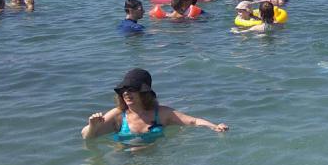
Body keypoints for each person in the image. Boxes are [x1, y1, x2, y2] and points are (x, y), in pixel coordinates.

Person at [81, 68, 227, 142]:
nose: (126, 93)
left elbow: (193, 121)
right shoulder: (118, 114)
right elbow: (87, 137)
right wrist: (92, 126)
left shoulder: (162, 113)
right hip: (124, 159)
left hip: (153, 159)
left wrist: (214, 127)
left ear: (144, 92)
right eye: (123, 90)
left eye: (132, 89)